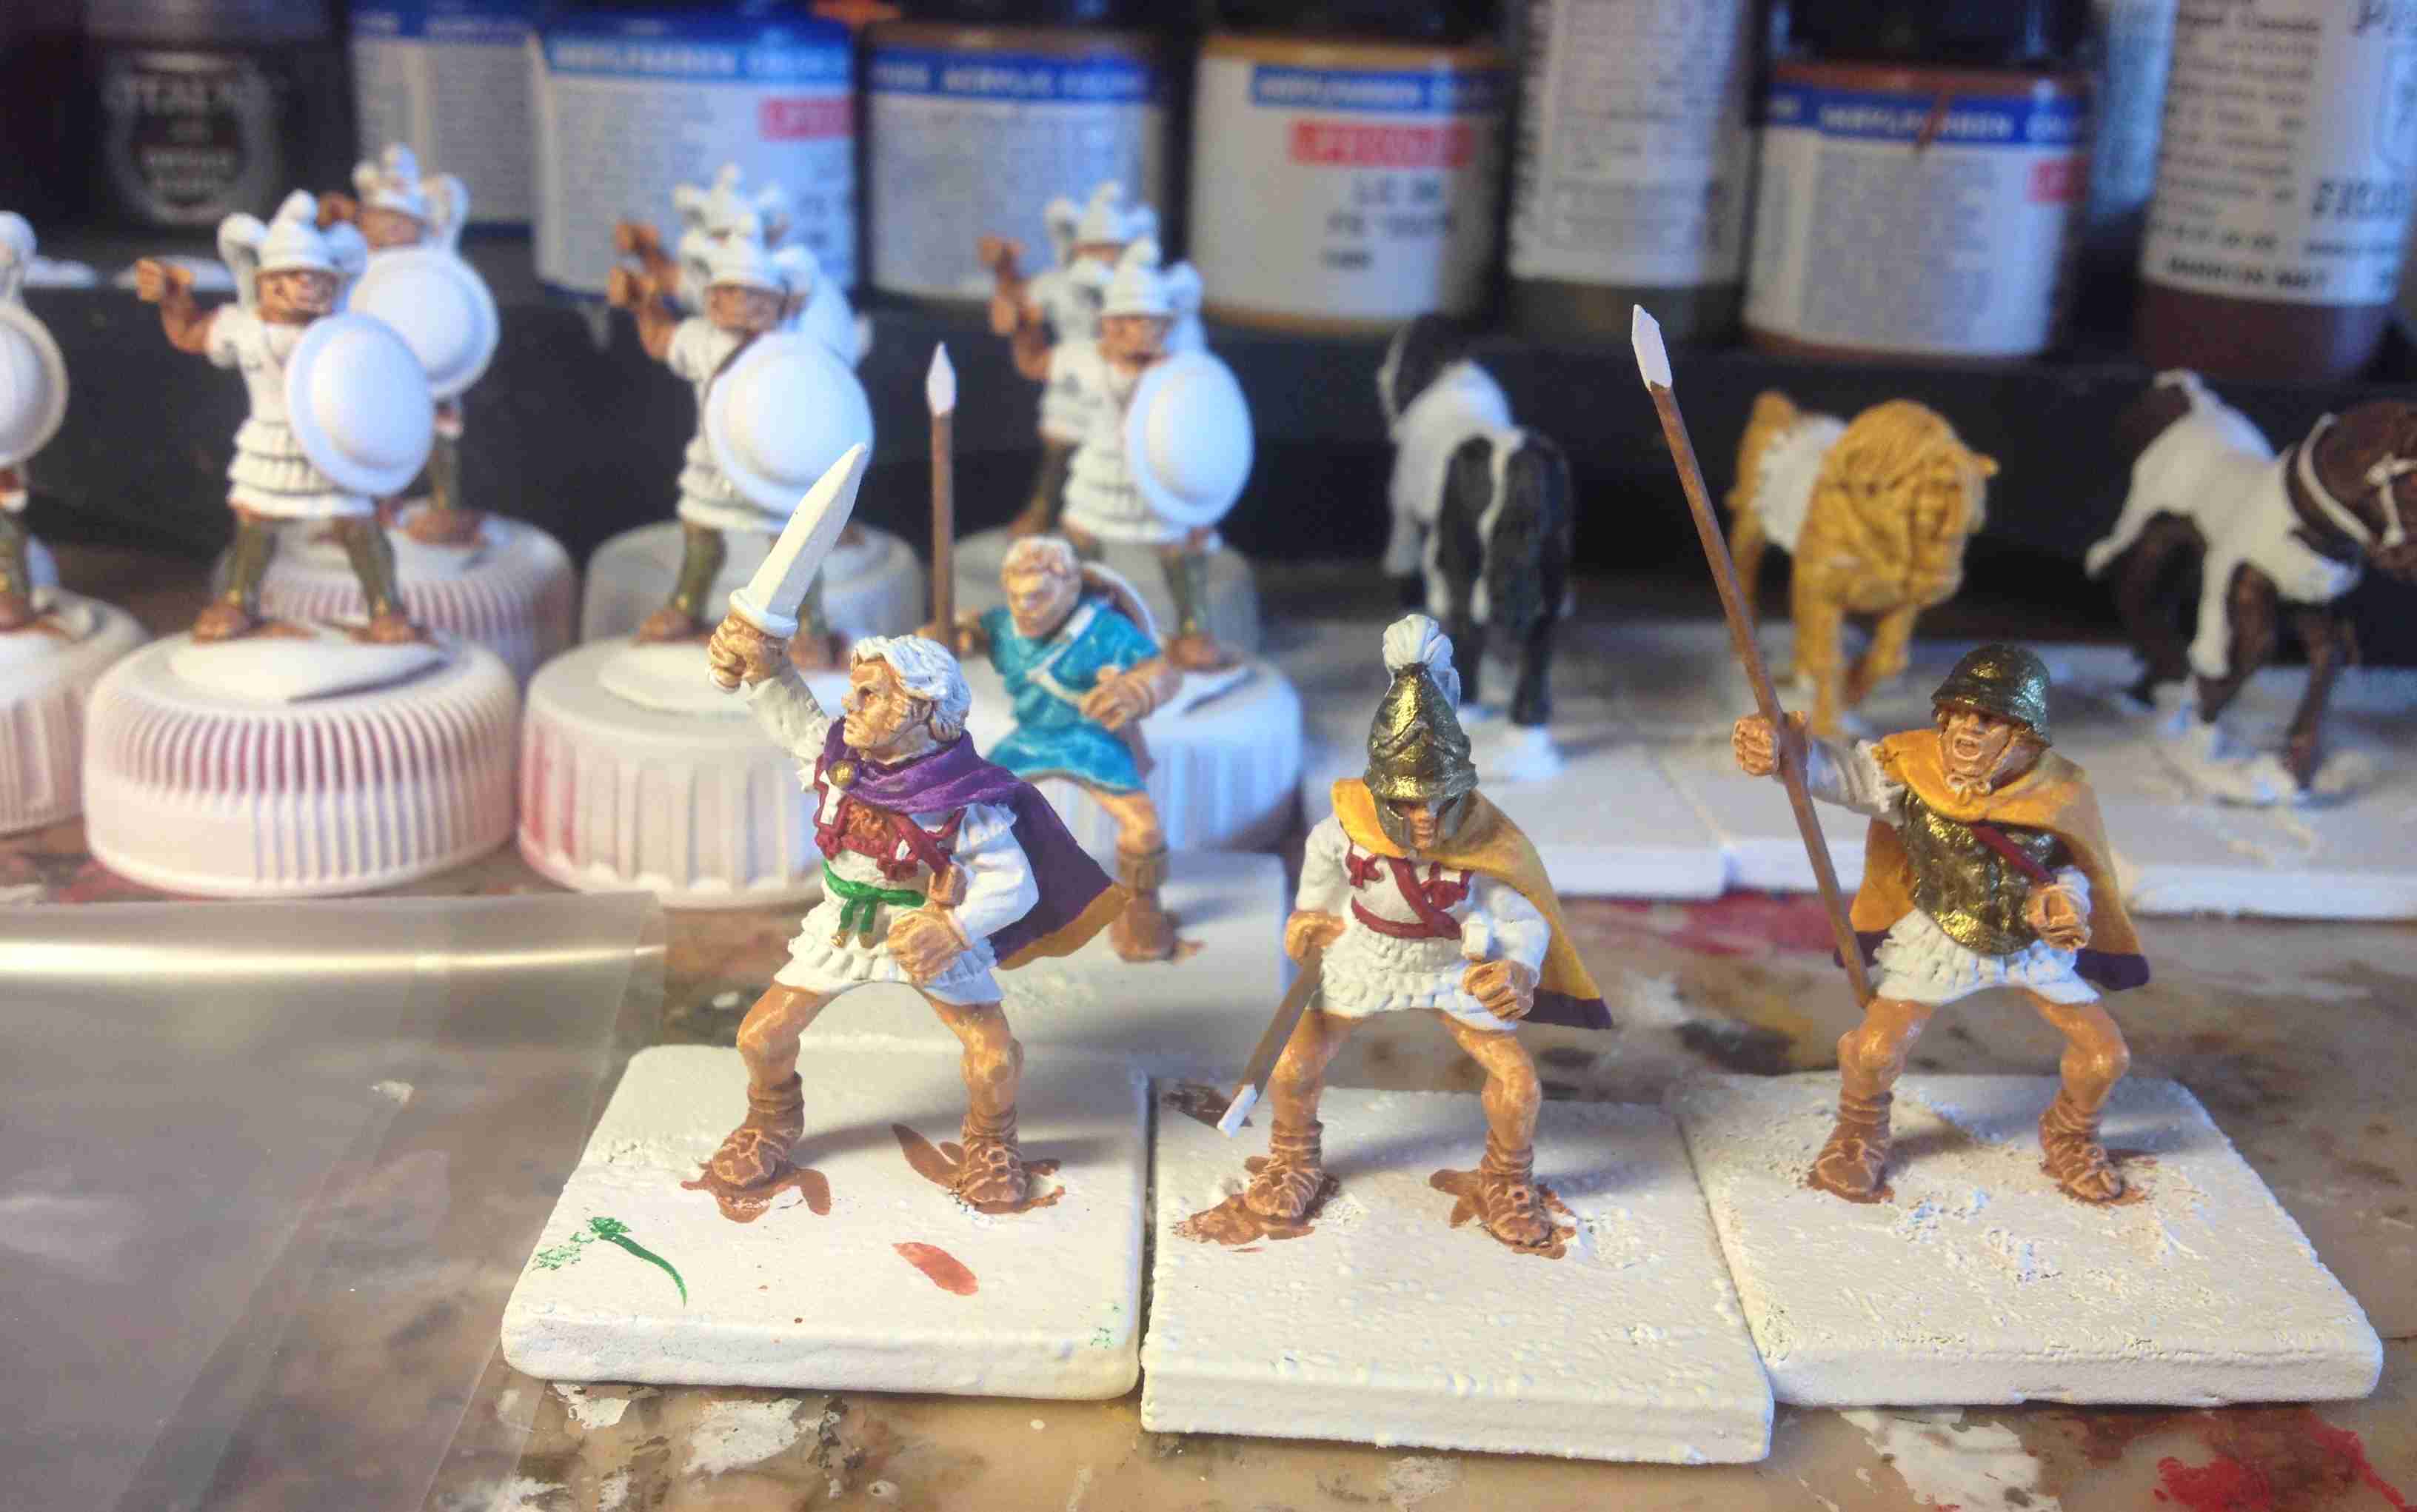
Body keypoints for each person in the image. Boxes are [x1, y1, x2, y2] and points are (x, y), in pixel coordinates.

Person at [701, 620, 1123, 1207]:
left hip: (929, 934)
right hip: (843, 931)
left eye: (869, 694)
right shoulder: (839, 761)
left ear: (919, 709)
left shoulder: (961, 798)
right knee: (760, 1037)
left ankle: (992, 1140)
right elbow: (791, 714)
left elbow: (1014, 884)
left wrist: (954, 928)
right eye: (854, 689)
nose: (849, 703)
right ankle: (771, 1119)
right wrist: (761, 664)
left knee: (994, 1059)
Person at [1231, 615, 1608, 1248]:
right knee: (1292, 1066)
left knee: (1518, 1083)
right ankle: (1294, 1158)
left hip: (1451, 963)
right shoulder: (1342, 830)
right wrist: (1306, 921)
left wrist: (1518, 969)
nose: (1425, 817)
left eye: (1438, 800)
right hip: (1365, 953)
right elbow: (1318, 889)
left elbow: (1523, 917)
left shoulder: (1486, 843)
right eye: (1408, 803)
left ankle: (1506, 1176)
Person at [1731, 643, 2150, 1203]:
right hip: (1940, 938)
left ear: (2023, 735)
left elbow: (2073, 866)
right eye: (1958, 714)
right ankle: (1859, 1132)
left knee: (2105, 1056)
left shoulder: (2059, 793)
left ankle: (2071, 1134)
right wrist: (1784, 749)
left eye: (1988, 719)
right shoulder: (1914, 770)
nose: (1967, 730)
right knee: (1874, 1052)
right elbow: (1843, 774)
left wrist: (2064, 906)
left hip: (2029, 947)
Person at [134, 193, 419, 643]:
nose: (307, 285)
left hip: (335, 444)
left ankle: (386, 607)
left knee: (357, 524)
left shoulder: (345, 337)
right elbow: (188, 334)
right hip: (270, 442)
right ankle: (237, 601)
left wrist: (384, 471)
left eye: (317, 278)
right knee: (254, 523)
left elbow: (380, 400)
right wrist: (173, 298)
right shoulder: (242, 327)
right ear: (266, 282)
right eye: (293, 276)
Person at [609, 228, 843, 656]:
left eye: (753, 296)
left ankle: (810, 625)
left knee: (794, 546)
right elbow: (660, 340)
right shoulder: (703, 340)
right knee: (700, 530)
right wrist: (643, 305)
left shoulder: (793, 343)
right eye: (729, 293)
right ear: (713, 299)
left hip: (777, 464)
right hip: (715, 461)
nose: (740, 304)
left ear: (775, 302)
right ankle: (686, 605)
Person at [1010, 238, 1233, 672]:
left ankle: (1194, 629)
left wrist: (1203, 502)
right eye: (1130, 322)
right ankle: (1082, 624)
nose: (1142, 333)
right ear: (1109, 324)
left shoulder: (1182, 372)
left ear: (1165, 327)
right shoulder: (1084, 360)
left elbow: (1209, 431)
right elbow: (1033, 364)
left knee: (1178, 546)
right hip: (1100, 471)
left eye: (1152, 324)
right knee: (1080, 539)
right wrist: (1022, 326)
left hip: (1159, 473)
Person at [955, 535, 1180, 960]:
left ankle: (1143, 911)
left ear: (1072, 587)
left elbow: (1162, 670)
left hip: (1092, 741)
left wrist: (1136, 689)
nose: (1025, 608)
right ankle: (982, 909)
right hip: (1029, 741)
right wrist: (949, 638)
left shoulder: (1104, 630)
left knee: (1144, 827)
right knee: (967, 815)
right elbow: (966, 635)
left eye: (1038, 596)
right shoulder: (1002, 625)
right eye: (1016, 596)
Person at [320, 144, 482, 542]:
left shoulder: (433, 267)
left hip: (431, 374)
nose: (391, 228)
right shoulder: (357, 264)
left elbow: (447, 316)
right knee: (374, 442)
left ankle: (445, 503)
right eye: (381, 219)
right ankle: (379, 505)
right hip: (374, 375)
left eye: (401, 220)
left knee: (438, 440)